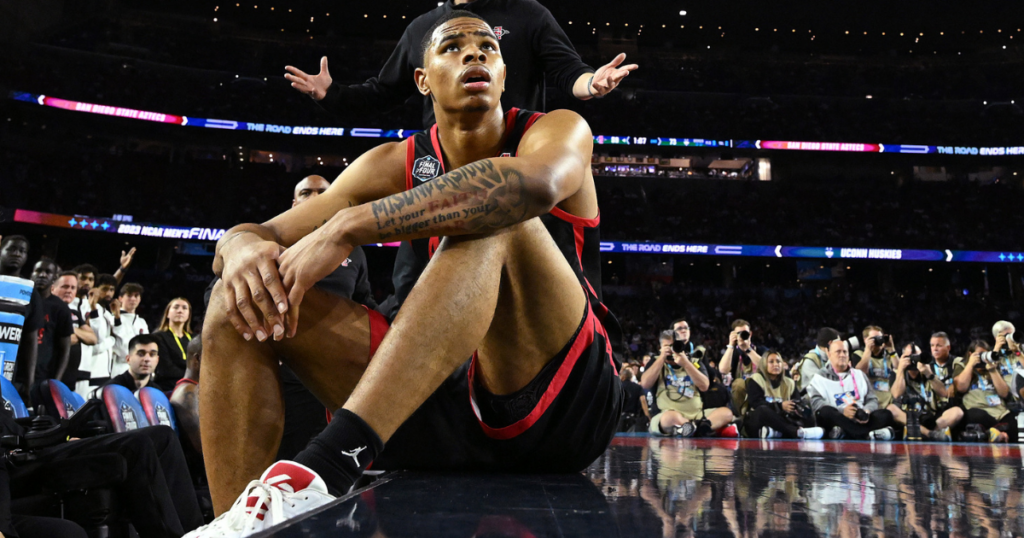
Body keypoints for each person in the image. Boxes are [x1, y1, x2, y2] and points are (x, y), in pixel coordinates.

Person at [189, 12, 621, 535]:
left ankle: (328, 465)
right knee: (235, 302)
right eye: (453, 46)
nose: (475, 54)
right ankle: (238, 524)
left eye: (488, 47)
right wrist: (236, 249)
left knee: (493, 213)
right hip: (433, 402)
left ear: (505, 75)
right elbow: (260, 233)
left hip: (564, 405)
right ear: (422, 79)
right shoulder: (393, 161)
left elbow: (529, 186)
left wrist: (348, 224)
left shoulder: (557, 130)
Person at [285, 0, 637, 127]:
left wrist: (593, 83)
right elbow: (383, 92)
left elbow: (568, 72)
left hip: (514, 159)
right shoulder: (422, 27)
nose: (473, 54)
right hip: (443, 165)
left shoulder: (528, 13)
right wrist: (331, 94)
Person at [641, 331, 733, 438]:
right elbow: (645, 384)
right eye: (667, 346)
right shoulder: (655, 361)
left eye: (674, 346)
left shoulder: (693, 361)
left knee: (726, 413)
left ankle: (688, 429)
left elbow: (704, 386)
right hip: (670, 414)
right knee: (668, 419)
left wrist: (686, 363)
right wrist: (662, 357)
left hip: (697, 415)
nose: (671, 350)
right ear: (660, 347)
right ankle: (699, 429)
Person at [807, 338, 896, 440]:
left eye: (845, 351)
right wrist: (842, 411)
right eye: (838, 352)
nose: (842, 355)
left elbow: (872, 399)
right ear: (829, 354)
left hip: (860, 419)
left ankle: (846, 433)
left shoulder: (859, 374)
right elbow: (817, 404)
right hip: (838, 418)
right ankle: (865, 434)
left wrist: (866, 411)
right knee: (825, 412)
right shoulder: (818, 378)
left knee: (886, 414)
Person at [887, 343, 963, 442]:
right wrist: (901, 369)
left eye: (918, 356)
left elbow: (944, 393)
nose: (914, 360)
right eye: (910, 356)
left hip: (930, 416)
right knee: (891, 409)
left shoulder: (929, 370)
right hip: (908, 417)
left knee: (957, 411)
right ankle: (930, 434)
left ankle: (924, 433)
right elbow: (896, 394)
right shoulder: (897, 373)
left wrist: (928, 374)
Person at [742, 350, 823, 439]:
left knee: (807, 413)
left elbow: (797, 401)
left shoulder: (789, 383)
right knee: (762, 410)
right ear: (764, 364)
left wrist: (797, 409)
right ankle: (795, 432)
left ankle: (775, 432)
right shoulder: (756, 379)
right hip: (758, 418)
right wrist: (780, 406)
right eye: (771, 362)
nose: (776, 364)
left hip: (782, 417)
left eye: (778, 361)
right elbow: (756, 403)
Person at [0, 236, 44, 393]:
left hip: (6, 374)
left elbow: (30, 340)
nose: (17, 254)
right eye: (11, 249)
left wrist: (29, 382)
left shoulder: (29, 291)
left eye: (22, 251)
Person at [955, 340, 1016, 442]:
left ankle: (996, 433)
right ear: (971, 354)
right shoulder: (963, 366)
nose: (982, 357)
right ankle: (998, 432)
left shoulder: (994, 367)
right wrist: (970, 364)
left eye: (985, 354)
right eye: (979, 354)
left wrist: (992, 370)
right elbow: (961, 387)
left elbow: (1004, 393)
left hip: (999, 412)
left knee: (1015, 423)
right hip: (977, 410)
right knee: (976, 415)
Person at [26, 258, 72, 394]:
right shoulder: (21, 300)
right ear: (31, 274)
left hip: (43, 376)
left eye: (48, 272)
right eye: (38, 271)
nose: (42, 275)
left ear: (54, 278)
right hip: (17, 371)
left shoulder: (60, 308)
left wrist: (55, 382)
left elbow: (64, 349)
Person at [50, 271, 96, 393]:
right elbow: (62, 340)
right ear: (53, 288)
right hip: (49, 372)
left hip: (71, 376)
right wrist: (76, 334)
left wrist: (72, 330)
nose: (69, 291)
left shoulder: (75, 313)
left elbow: (92, 338)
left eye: (73, 287)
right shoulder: (46, 308)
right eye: (65, 286)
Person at [79, 274, 118, 390]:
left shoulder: (107, 313)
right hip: (91, 372)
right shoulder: (87, 308)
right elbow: (94, 344)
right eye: (105, 289)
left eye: (111, 290)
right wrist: (112, 340)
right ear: (95, 290)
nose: (108, 293)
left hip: (105, 373)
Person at [719, 319, 761, 414]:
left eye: (745, 333)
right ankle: (741, 417)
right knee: (738, 383)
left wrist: (748, 349)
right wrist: (730, 345)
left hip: (760, 388)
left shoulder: (760, 350)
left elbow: (766, 367)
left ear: (750, 334)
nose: (742, 336)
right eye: (739, 333)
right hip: (740, 393)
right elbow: (723, 370)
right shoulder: (733, 353)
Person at [152, 298, 193, 392]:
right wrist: (192, 372)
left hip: (192, 388)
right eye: (176, 307)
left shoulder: (194, 339)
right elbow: (165, 369)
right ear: (167, 313)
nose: (180, 311)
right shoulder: (158, 337)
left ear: (188, 315)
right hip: (167, 389)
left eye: (184, 308)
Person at [852, 325, 897, 409]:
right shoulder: (858, 354)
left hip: (887, 404)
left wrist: (892, 350)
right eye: (874, 338)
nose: (878, 340)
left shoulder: (888, 356)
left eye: (880, 338)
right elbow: (859, 373)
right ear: (865, 340)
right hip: (868, 403)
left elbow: (899, 369)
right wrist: (868, 350)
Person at [111, 282, 150, 377]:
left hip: (139, 371)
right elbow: (121, 350)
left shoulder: (142, 322)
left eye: (136, 296)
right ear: (120, 298)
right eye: (129, 295)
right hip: (118, 370)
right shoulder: (113, 318)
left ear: (140, 299)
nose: (133, 299)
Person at [793, 327, 839, 392]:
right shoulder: (809, 360)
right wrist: (831, 359)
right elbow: (820, 383)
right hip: (809, 399)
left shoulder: (827, 357)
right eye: (838, 342)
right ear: (830, 343)